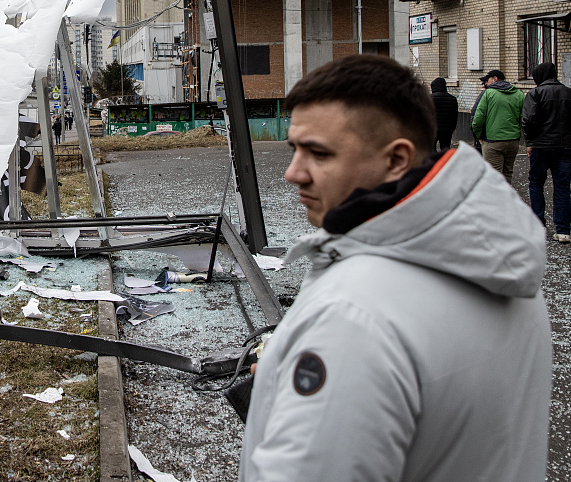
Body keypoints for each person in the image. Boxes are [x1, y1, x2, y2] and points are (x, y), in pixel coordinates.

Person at [241, 55, 549, 481]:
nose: (294, 173)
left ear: (397, 158)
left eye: (318, 153)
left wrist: (311, 379)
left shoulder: (352, 317)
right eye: (294, 149)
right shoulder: (503, 266)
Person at [522, 61, 571, 243]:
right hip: (565, 146)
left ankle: (538, 225)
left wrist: (532, 140)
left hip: (541, 146)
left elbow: (528, 120)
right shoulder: (568, 92)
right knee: (562, 186)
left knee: (536, 183)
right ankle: (564, 230)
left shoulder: (535, 93)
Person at [471, 68, 524, 183]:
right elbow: (524, 119)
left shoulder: (488, 94)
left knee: (493, 178)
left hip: (493, 141)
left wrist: (478, 136)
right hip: (513, 141)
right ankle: (506, 199)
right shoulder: (519, 94)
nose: (486, 83)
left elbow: (478, 119)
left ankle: (496, 201)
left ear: (495, 79)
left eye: (487, 80)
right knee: (507, 174)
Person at [429, 77, 458, 151]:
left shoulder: (430, 98)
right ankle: (445, 161)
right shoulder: (452, 99)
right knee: (445, 147)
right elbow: (454, 115)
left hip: (433, 128)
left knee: (431, 148)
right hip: (447, 129)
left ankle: (434, 161)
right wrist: (453, 128)